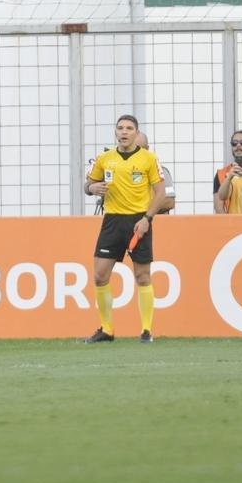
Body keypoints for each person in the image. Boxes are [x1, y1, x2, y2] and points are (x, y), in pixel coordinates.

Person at [83, 114, 167, 344]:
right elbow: (88, 184)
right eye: (120, 128)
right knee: (100, 276)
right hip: (112, 221)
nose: (124, 132)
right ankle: (107, 329)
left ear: (136, 133)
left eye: (129, 128)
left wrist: (147, 218)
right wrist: (92, 188)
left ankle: (146, 330)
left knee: (142, 276)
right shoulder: (104, 158)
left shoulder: (149, 159)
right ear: (116, 132)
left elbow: (161, 193)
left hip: (138, 220)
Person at [214, 129, 242, 213]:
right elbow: (219, 209)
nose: (238, 146)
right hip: (231, 220)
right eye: (234, 143)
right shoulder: (221, 174)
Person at [135, 132, 175, 214]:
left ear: (147, 148)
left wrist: (137, 206)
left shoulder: (160, 170)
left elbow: (169, 202)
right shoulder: (122, 171)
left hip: (156, 221)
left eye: (140, 149)